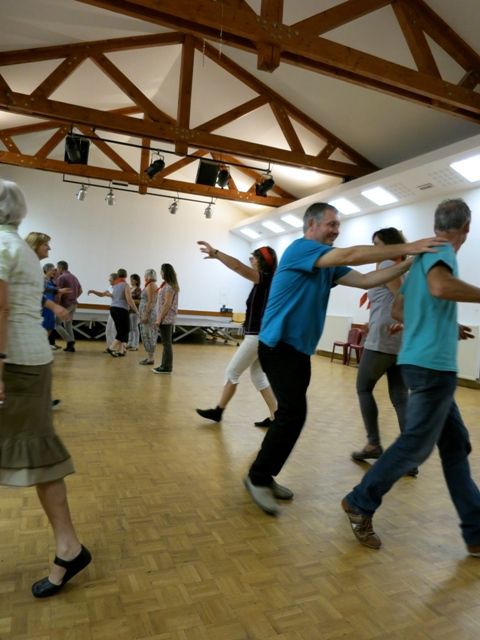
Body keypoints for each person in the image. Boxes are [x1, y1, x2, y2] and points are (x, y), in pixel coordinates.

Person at [243, 201, 446, 516]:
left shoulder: (326, 263)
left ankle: (264, 475)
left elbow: (366, 280)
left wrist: (407, 262)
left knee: (293, 415)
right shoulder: (300, 250)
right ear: (312, 225)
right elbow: (351, 254)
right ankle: (258, 477)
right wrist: (408, 245)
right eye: (331, 224)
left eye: (338, 225)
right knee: (292, 414)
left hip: (297, 351)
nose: (336, 230)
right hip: (278, 346)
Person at [342, 198, 480, 555]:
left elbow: (402, 306)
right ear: (466, 226)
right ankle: (361, 500)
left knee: (455, 447)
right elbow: (440, 288)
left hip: (421, 360)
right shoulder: (444, 252)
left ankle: (476, 531)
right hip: (433, 366)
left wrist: (448, 324)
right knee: (416, 445)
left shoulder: (421, 256)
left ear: (436, 224)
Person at [0, 180, 91, 598]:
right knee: (37, 451)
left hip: (17, 364)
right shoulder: (16, 248)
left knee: (38, 452)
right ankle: (69, 547)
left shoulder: (4, 247)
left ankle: (69, 546)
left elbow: (0, 307)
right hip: (27, 361)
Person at [350, 227, 416, 476]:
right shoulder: (402, 266)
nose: (374, 248)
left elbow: (399, 296)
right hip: (400, 339)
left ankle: (373, 443)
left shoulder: (388, 263)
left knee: (363, 387)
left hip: (384, 338)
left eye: (377, 243)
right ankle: (410, 457)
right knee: (400, 397)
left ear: (389, 245)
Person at [195, 242, 278, 426]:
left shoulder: (264, 278)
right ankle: (276, 415)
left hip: (256, 337)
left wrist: (216, 253)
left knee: (232, 372)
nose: (250, 261)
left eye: (253, 258)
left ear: (262, 262)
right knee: (258, 376)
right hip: (260, 336)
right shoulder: (266, 280)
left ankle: (218, 411)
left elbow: (237, 266)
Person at [152, 263, 179, 374]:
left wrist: (159, 319)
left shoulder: (169, 286)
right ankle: (164, 365)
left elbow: (167, 304)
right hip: (165, 317)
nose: (160, 273)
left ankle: (167, 367)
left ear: (166, 272)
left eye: (162, 271)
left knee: (166, 343)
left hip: (166, 318)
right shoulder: (168, 285)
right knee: (166, 343)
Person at [107, 268, 138, 357]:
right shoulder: (125, 285)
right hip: (122, 310)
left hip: (113, 309)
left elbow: (106, 294)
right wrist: (136, 310)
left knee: (120, 330)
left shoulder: (114, 285)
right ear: (126, 275)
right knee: (125, 331)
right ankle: (111, 348)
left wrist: (94, 292)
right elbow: (129, 300)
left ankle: (121, 350)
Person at [55, 260, 83, 353]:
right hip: (74, 304)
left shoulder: (61, 278)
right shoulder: (74, 277)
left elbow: (58, 292)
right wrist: (73, 298)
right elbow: (80, 291)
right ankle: (71, 346)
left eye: (57, 268)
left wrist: (57, 305)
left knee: (56, 324)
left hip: (65, 304)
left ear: (61, 268)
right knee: (68, 324)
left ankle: (70, 341)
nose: (57, 270)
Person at [87, 273, 118, 350]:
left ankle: (114, 348)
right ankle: (110, 347)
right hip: (112, 310)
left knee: (114, 330)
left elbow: (119, 298)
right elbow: (102, 294)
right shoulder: (111, 287)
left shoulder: (119, 287)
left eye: (110, 279)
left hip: (118, 310)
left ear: (115, 280)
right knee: (108, 330)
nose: (109, 280)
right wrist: (93, 291)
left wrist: (110, 295)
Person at [139, 269, 159, 365]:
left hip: (149, 314)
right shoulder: (150, 285)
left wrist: (145, 314)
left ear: (147, 276)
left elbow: (151, 301)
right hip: (148, 312)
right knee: (147, 334)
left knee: (148, 334)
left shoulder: (151, 285)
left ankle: (150, 358)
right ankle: (149, 357)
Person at [127, 273, 142, 351]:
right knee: (130, 328)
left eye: (132, 279)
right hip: (128, 311)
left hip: (134, 311)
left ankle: (135, 345)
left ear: (136, 281)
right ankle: (130, 343)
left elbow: (140, 301)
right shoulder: (129, 288)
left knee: (135, 328)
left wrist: (131, 301)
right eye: (130, 279)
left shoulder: (138, 289)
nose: (131, 281)